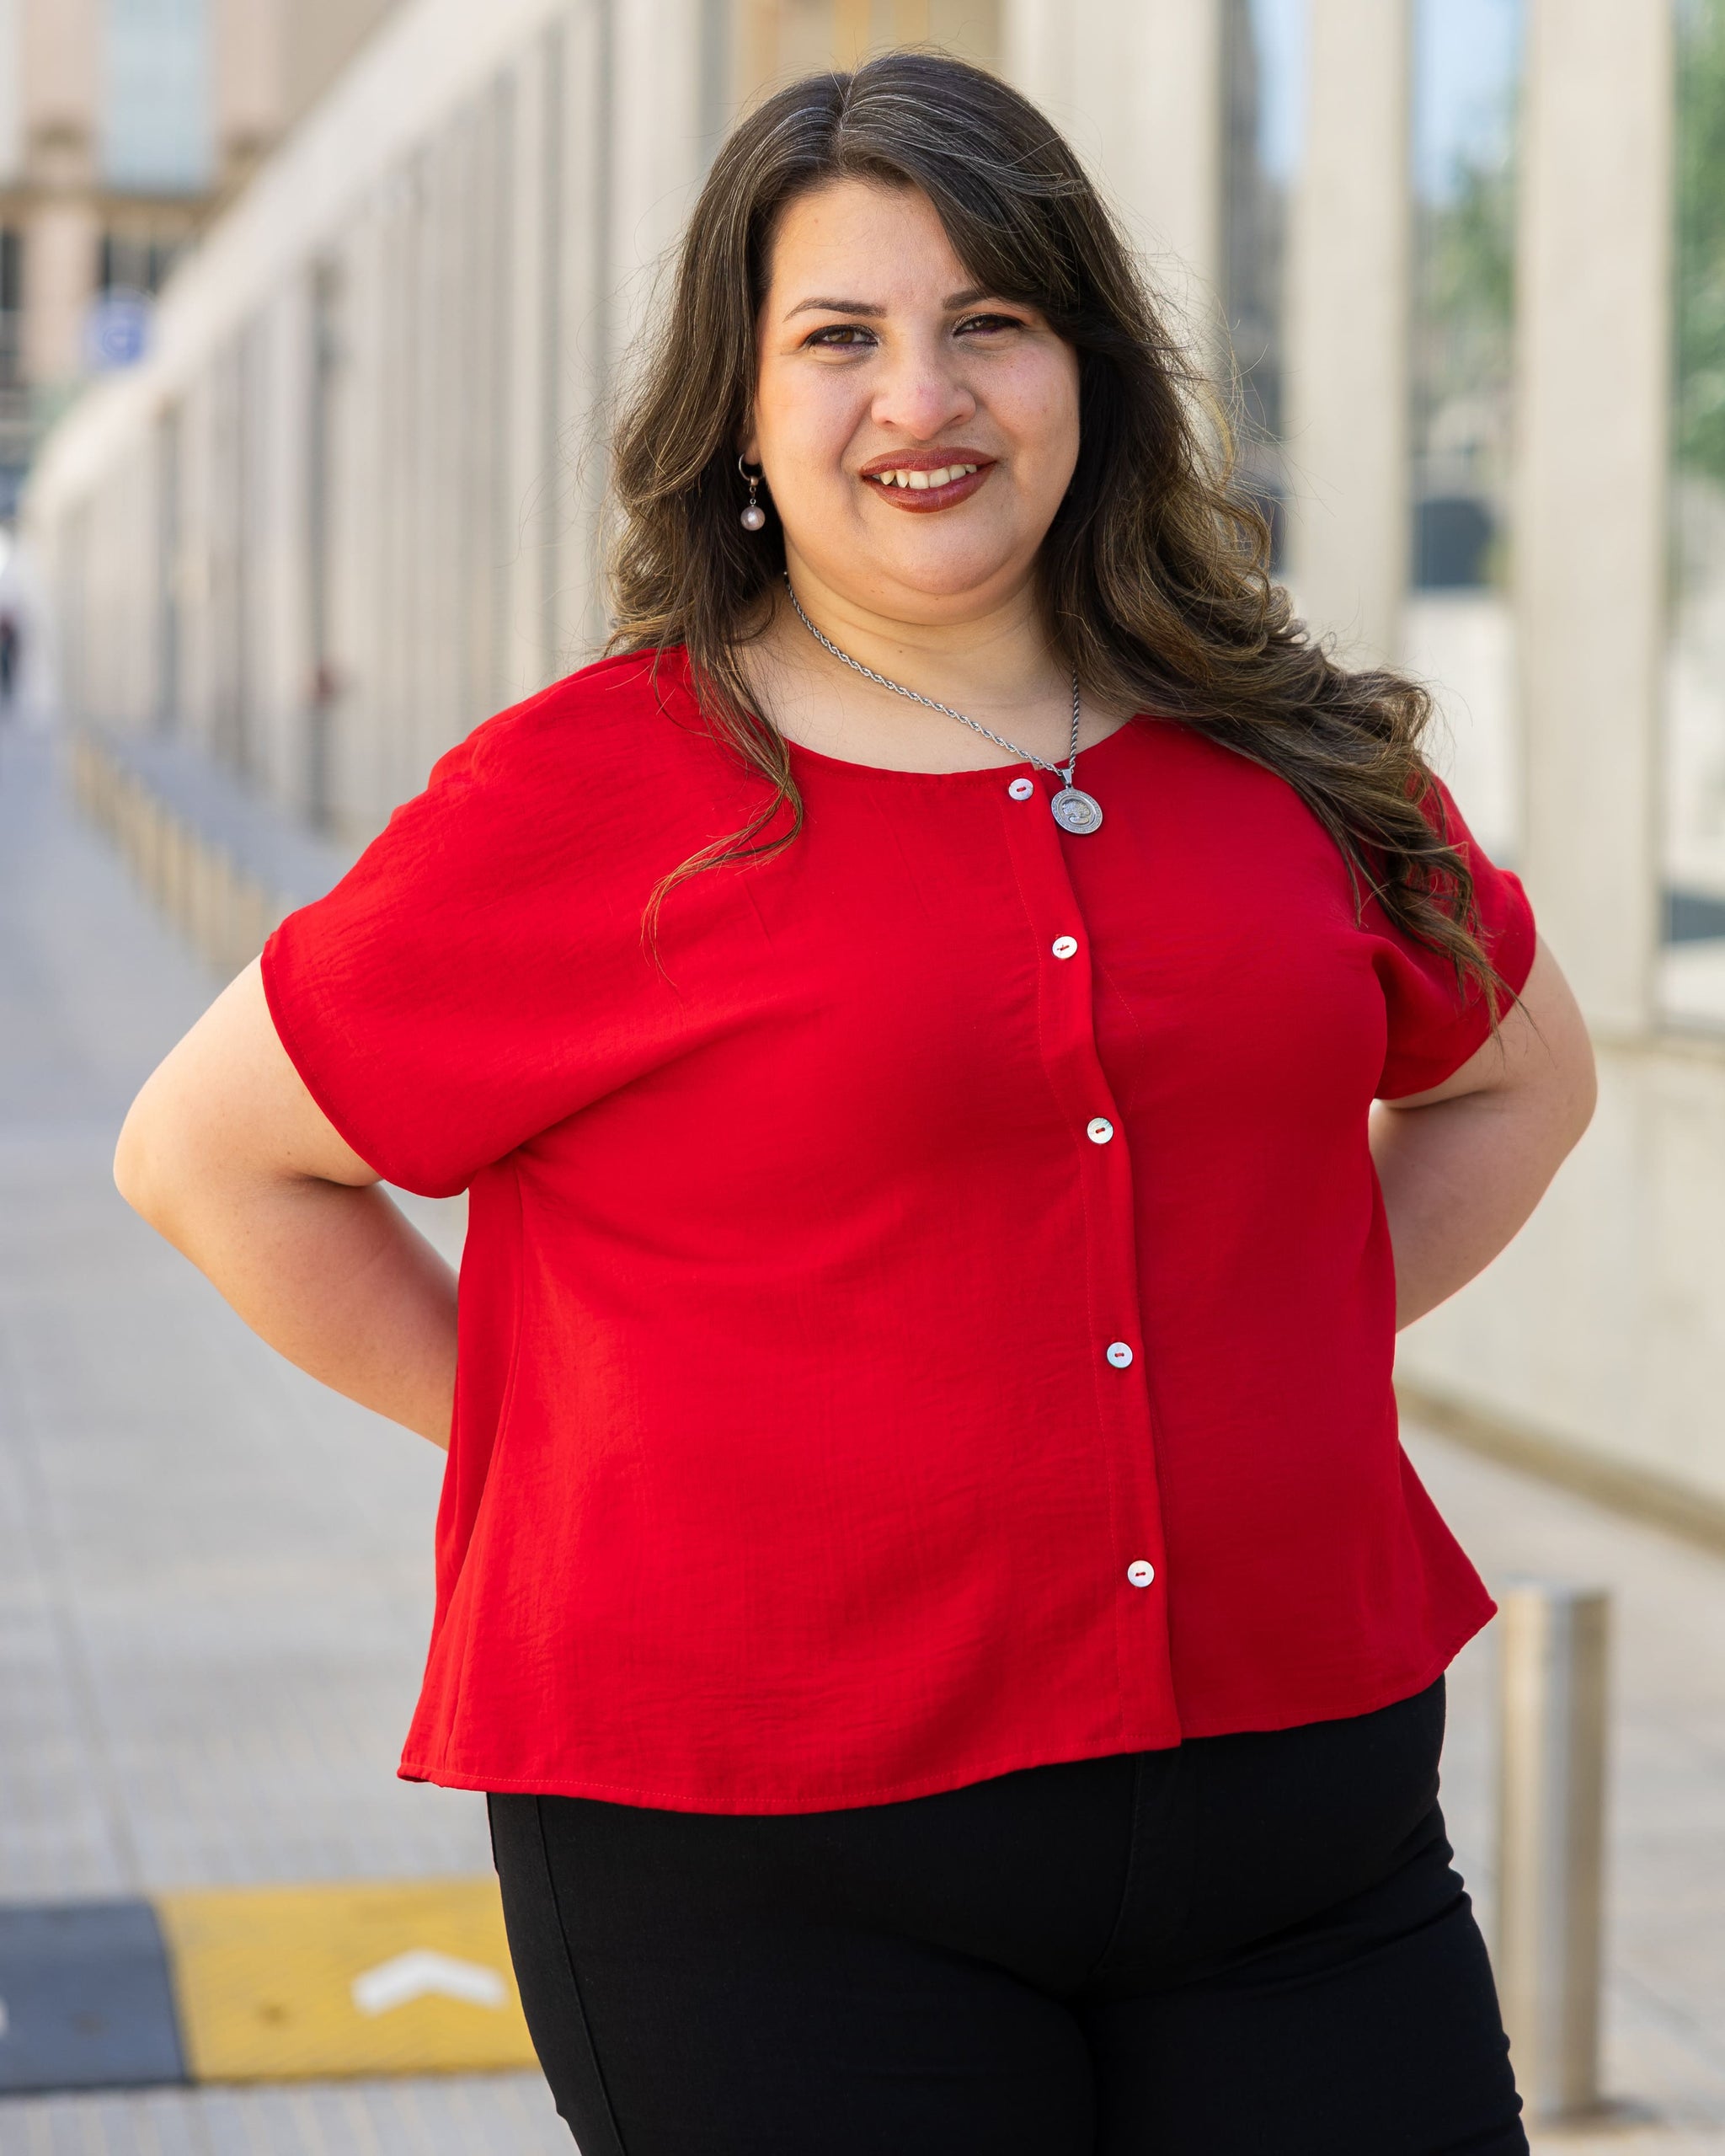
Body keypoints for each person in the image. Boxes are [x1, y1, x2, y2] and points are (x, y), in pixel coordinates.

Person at [115, 52, 1596, 2156]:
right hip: (760, 1869)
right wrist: (610, 1431)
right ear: (741, 402)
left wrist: (1256, 1340)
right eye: (841, 338)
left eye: (990, 319)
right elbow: (207, 1154)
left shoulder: (1288, 749)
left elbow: (1518, 1079)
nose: (925, 397)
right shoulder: (588, 794)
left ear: (1087, 368)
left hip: (1305, 1835)